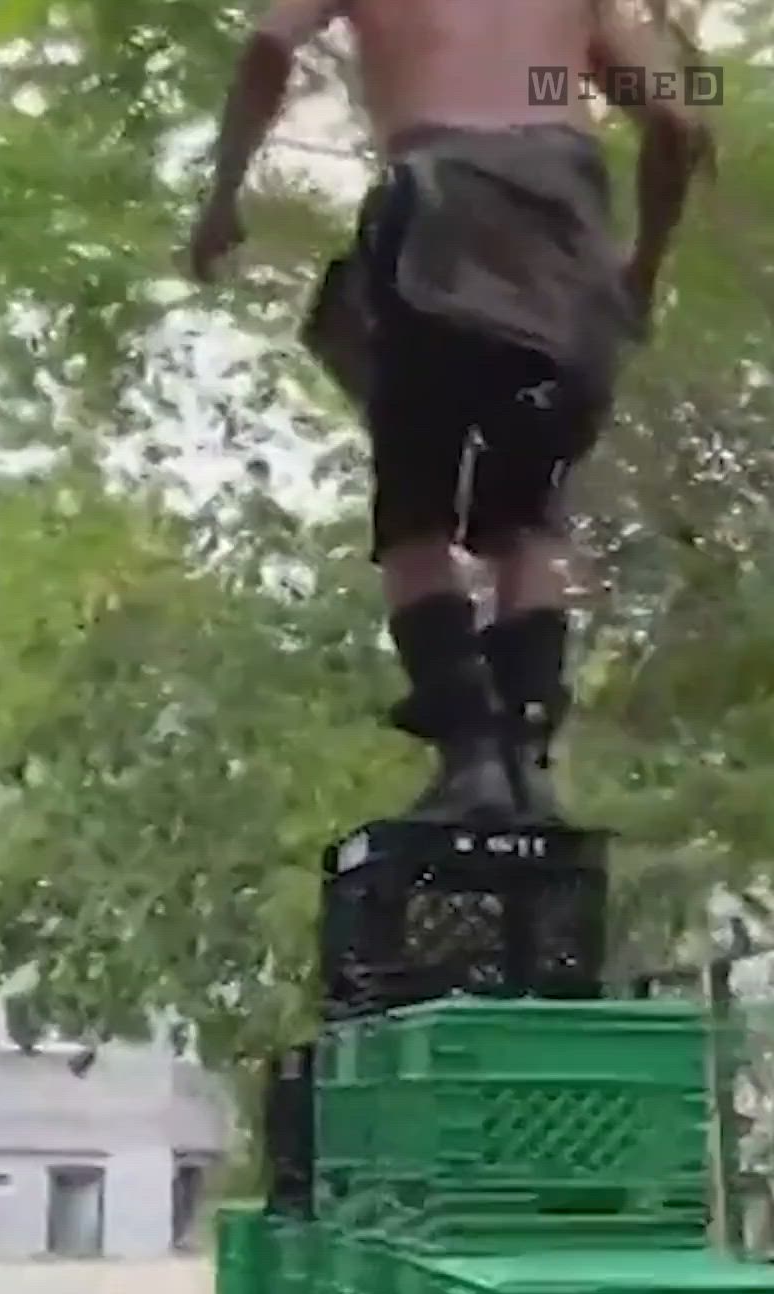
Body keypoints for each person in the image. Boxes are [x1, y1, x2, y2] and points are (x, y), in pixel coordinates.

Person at [188, 0, 714, 823]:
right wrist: (640, 270)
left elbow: (266, 42)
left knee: (416, 506)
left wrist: (223, 198)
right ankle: (528, 761)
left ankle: (471, 756)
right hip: (563, 229)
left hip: (440, 205)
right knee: (529, 513)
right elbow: (678, 119)